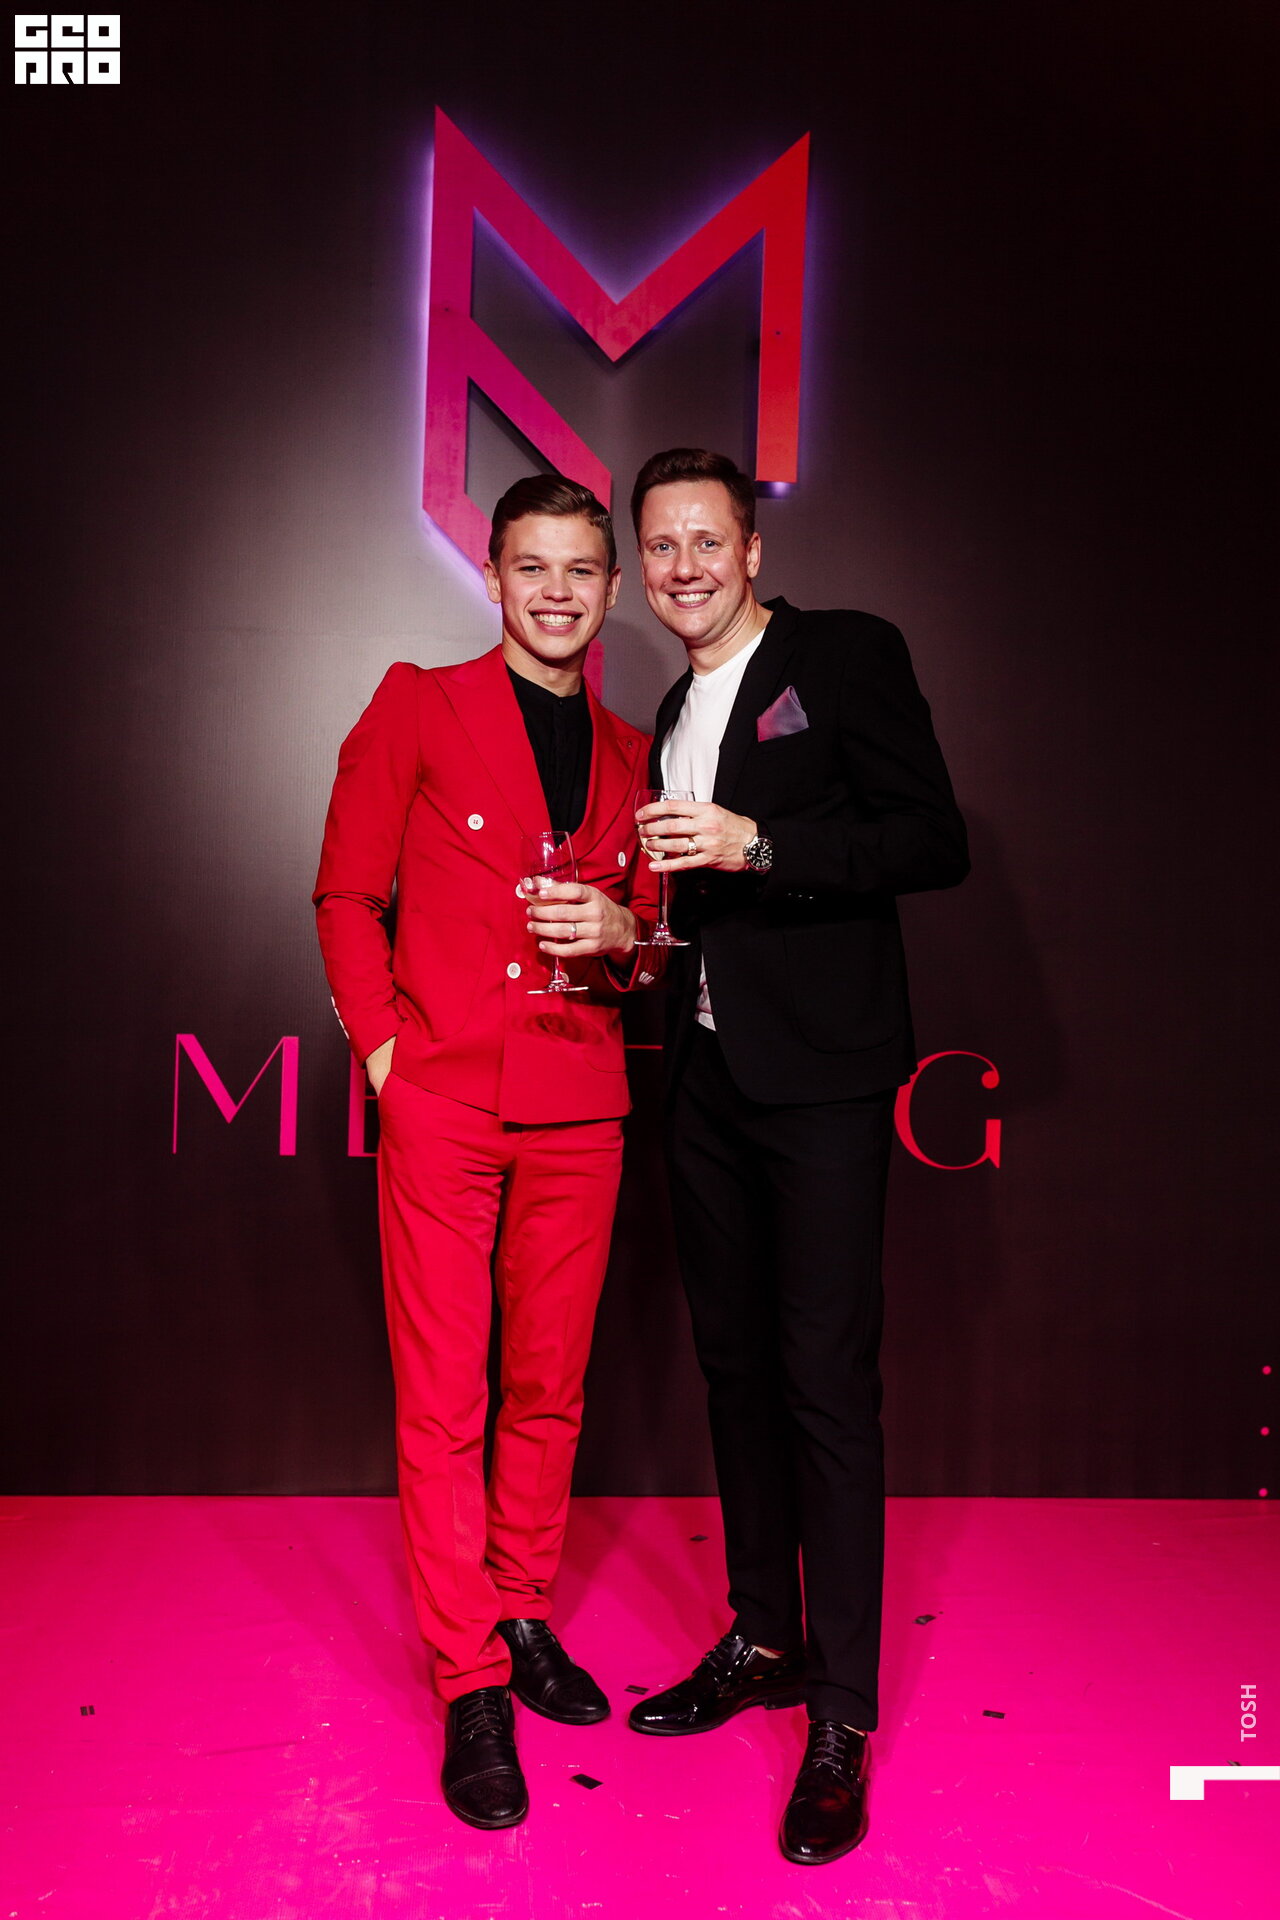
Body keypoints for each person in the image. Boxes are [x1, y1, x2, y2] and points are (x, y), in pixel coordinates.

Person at [625, 448, 968, 1865]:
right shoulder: (668, 708)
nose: (684, 567)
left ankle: (842, 1715)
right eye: (661, 547)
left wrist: (761, 843)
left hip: (823, 1082)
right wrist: (635, 933)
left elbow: (932, 839)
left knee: (826, 1384)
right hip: (705, 1077)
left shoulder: (843, 654)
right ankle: (764, 1634)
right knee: (735, 1368)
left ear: (752, 550)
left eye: (706, 540)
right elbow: (690, 909)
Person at [314, 476, 659, 1831]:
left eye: (580, 570)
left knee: (548, 1388)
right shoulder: (420, 703)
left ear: (611, 589)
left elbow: (647, 945)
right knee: (444, 1396)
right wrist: (387, 1056)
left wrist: (625, 939)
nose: (556, 592)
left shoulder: (634, 753)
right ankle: (469, 1680)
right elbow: (347, 892)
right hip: (446, 1101)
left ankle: (521, 1612)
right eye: (532, 567)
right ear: (495, 575)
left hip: (581, 1103)